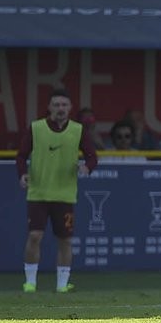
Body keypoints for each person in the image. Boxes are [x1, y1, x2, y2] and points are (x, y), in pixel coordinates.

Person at [17, 88, 98, 293]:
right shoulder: (37, 128)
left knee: (65, 239)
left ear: (70, 108)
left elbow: (92, 156)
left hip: (64, 193)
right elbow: (21, 155)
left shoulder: (78, 130)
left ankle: (62, 285)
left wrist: (86, 167)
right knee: (35, 236)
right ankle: (30, 282)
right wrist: (22, 174)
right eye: (56, 105)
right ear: (49, 107)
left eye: (64, 105)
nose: (60, 109)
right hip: (39, 192)